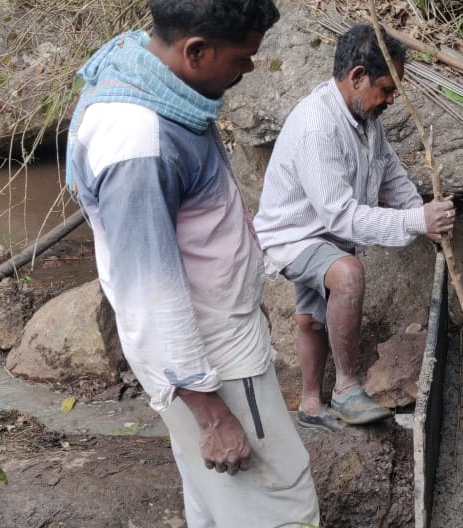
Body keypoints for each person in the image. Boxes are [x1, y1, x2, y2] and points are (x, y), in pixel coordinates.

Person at [65, 1, 321, 526]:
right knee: (280, 499)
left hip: (216, 338)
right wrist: (211, 414)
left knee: (214, 498)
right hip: (212, 360)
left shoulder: (151, 81)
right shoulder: (138, 142)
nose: (248, 69)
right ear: (196, 51)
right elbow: (149, 294)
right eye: (242, 57)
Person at [252, 24, 455, 431]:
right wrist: (416, 221)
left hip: (322, 232)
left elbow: (391, 172)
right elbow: (340, 216)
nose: (392, 99)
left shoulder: (364, 118)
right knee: (347, 275)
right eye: (386, 87)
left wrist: (422, 214)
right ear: (357, 76)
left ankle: (311, 404)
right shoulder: (318, 126)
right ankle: (346, 389)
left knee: (312, 318)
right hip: (295, 234)